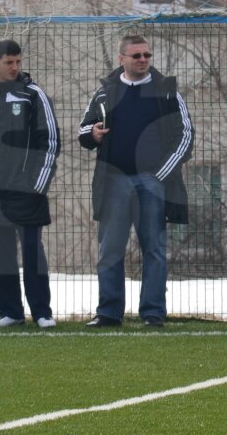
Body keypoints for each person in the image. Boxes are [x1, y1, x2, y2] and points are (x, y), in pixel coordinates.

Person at [77, 35, 193, 327]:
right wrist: (93, 134)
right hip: (114, 180)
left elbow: (185, 137)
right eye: (136, 56)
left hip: (152, 183)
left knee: (153, 249)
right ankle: (108, 313)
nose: (143, 60)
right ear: (122, 60)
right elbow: (83, 131)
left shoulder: (166, 91)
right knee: (109, 250)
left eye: (146, 55)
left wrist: (159, 175)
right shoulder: (105, 93)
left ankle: (153, 313)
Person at [0, 39, 60, 328]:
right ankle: (11, 312)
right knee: (0, 254)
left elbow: (50, 141)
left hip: (27, 190)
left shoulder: (33, 95)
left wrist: (37, 185)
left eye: (18, 62)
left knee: (32, 251)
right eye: (9, 62)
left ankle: (42, 312)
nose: (15, 68)